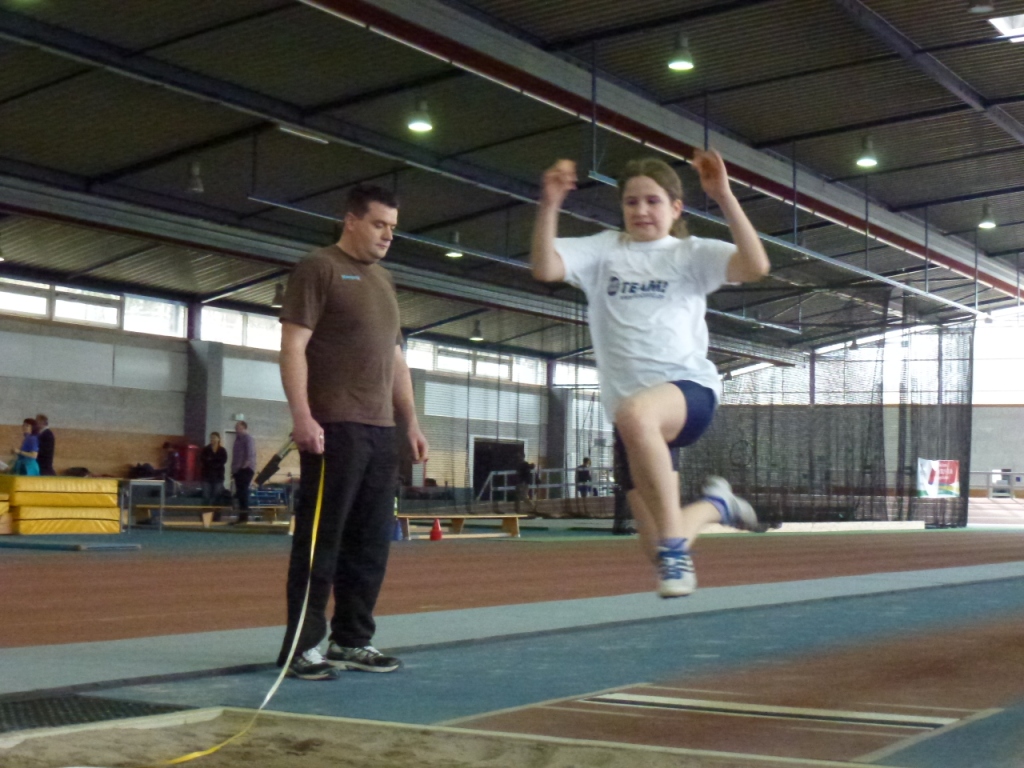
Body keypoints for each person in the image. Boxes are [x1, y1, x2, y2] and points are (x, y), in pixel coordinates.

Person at [531, 151, 771, 598]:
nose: (641, 210)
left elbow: (756, 266)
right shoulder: (604, 251)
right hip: (633, 421)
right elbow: (545, 267)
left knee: (637, 417)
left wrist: (723, 195)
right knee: (655, 545)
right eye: (632, 202)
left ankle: (678, 547)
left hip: (686, 392)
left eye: (653, 201)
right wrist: (549, 205)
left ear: (676, 208)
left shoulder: (690, 254)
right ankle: (716, 507)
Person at [277, 184, 429, 681]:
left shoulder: (384, 280)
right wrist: (303, 416)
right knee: (322, 541)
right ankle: (302, 648)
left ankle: (351, 639)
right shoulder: (319, 268)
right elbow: (292, 348)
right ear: (351, 221)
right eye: (379, 224)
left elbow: (396, 360)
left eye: (393, 228)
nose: (388, 235)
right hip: (334, 426)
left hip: (381, 430)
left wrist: (410, 423)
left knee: (370, 543)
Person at [231, 421, 256, 524]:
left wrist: (244, 465)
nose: (237, 429)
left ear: (244, 428)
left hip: (245, 469)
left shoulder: (248, 438)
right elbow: (235, 456)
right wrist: (234, 470)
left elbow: (250, 453)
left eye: (239, 428)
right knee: (240, 493)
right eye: (236, 428)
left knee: (243, 492)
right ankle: (242, 516)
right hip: (238, 469)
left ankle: (244, 516)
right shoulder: (237, 440)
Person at [200, 432, 228, 518]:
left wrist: (211, 461)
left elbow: (223, 461)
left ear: (218, 439)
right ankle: (205, 516)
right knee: (206, 497)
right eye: (211, 437)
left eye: (215, 437)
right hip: (207, 476)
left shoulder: (222, 450)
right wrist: (213, 462)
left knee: (217, 496)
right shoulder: (206, 450)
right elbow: (203, 460)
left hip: (218, 477)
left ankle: (216, 516)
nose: (213, 439)